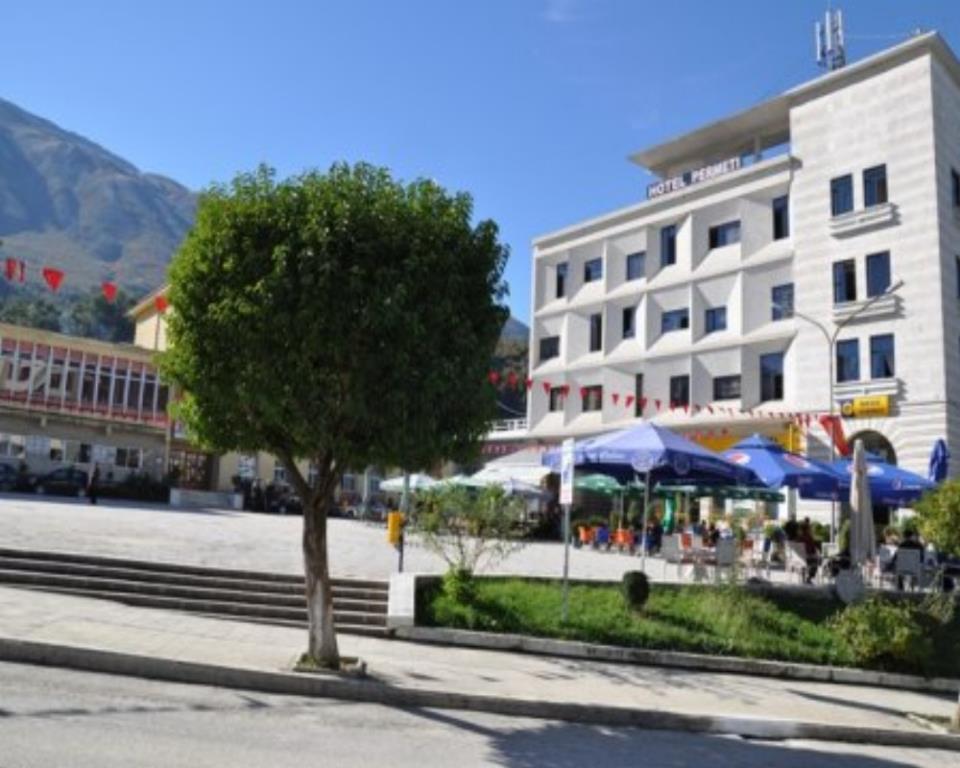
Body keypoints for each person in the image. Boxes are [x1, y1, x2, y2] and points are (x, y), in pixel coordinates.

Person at [797, 519, 819, 584]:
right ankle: (809, 578)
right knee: (816, 561)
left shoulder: (798, 538)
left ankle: (803, 577)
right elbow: (813, 550)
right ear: (807, 529)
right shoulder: (809, 537)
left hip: (799, 559)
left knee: (811, 558)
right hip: (807, 559)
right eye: (809, 528)